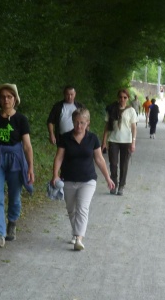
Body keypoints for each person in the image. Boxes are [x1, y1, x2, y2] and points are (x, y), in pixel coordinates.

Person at [0, 84, 35, 248]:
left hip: (16, 161)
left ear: (15, 99)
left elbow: (27, 146)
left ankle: (12, 221)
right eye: (3, 97)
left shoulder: (21, 119)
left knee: (15, 197)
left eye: (9, 96)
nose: (6, 100)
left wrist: (30, 167)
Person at [51, 108, 115, 251]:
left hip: (88, 180)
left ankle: (79, 238)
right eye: (76, 122)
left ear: (87, 123)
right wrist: (55, 175)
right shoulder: (65, 138)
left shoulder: (92, 138)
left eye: (82, 123)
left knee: (82, 208)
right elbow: (59, 157)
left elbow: (99, 159)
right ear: (72, 122)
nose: (79, 126)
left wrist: (108, 178)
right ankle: (75, 232)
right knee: (71, 209)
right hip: (68, 179)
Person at [101, 88, 137, 196]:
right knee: (113, 164)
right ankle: (113, 185)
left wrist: (133, 142)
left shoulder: (131, 110)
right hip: (113, 140)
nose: (122, 99)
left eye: (125, 97)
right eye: (120, 97)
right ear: (118, 98)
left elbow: (134, 127)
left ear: (128, 98)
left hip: (126, 140)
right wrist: (104, 141)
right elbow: (107, 126)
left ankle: (121, 185)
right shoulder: (112, 109)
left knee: (124, 164)